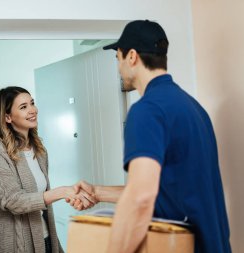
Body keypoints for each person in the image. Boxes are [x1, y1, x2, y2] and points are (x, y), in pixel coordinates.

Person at [70, 20, 231, 253]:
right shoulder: (193, 108)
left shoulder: (148, 110)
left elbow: (141, 197)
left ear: (132, 56)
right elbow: (160, 189)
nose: (118, 68)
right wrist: (97, 192)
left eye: (118, 58)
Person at [0, 86, 94, 253]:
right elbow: (12, 201)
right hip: (15, 246)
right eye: (23, 107)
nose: (32, 110)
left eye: (32, 103)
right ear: (7, 117)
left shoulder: (39, 149)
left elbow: (41, 205)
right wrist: (63, 192)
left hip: (46, 240)